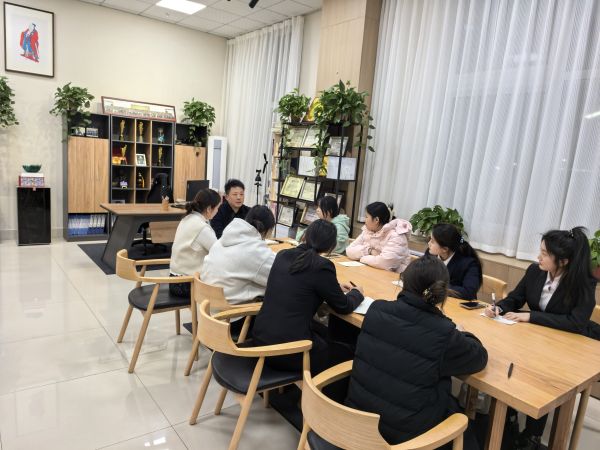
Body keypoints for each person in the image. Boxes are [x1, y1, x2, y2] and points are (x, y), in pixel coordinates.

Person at [345, 255, 488, 450]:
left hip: (356, 421)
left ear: (404, 281)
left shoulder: (377, 309)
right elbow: (479, 357)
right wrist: (463, 334)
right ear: (442, 293)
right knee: (463, 425)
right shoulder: (443, 333)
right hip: (404, 440)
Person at [484, 226, 597, 450]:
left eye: (545, 254)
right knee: (509, 362)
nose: (538, 257)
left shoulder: (583, 283)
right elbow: (516, 298)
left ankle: (533, 435)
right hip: (535, 340)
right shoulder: (535, 271)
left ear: (563, 261)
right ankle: (509, 418)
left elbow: (576, 323)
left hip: (566, 347)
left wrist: (531, 316)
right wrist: (499, 307)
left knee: (542, 379)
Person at [252, 220, 364, 375]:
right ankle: (319, 388)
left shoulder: (283, 255)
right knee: (348, 353)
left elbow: (302, 281)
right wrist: (357, 293)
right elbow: (344, 306)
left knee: (325, 335)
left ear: (305, 236)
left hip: (260, 339)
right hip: (288, 351)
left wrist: (333, 287)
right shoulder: (322, 266)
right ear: (331, 246)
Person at [201, 205, 276, 305]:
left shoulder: (223, 239)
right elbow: (277, 276)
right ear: (267, 231)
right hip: (229, 311)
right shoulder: (254, 250)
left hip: (206, 306)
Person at [169, 189, 221, 298]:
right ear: (209, 209)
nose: (217, 211)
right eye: (217, 208)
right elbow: (218, 252)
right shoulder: (202, 227)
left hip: (175, 280)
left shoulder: (187, 218)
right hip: (186, 284)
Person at [346, 202, 412, 272]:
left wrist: (362, 258)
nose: (365, 220)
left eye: (366, 217)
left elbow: (385, 263)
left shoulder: (396, 236)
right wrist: (369, 251)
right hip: (372, 271)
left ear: (376, 220)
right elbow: (349, 251)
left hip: (394, 276)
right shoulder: (367, 231)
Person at [426, 223, 483, 299]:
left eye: (432, 241)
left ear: (445, 249)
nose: (429, 243)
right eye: (430, 239)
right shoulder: (430, 253)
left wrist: (438, 287)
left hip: (455, 303)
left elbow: (469, 292)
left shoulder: (469, 263)